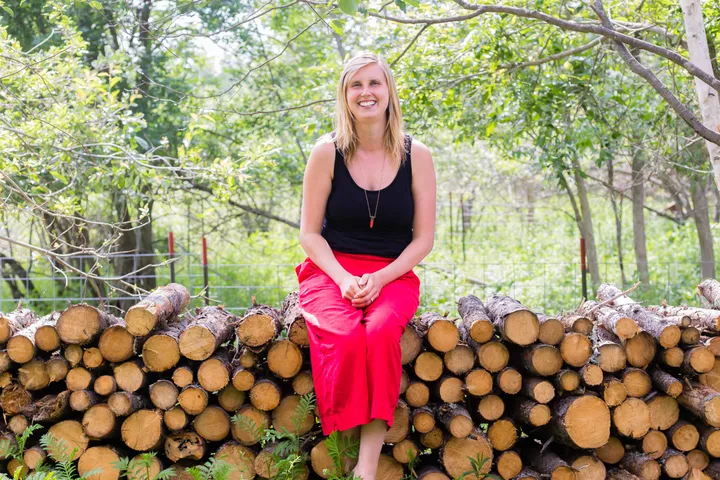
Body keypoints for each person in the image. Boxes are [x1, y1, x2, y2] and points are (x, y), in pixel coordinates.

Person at [296, 52, 436, 480]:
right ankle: (342, 443)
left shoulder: (418, 155)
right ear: (345, 95)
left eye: (374, 83)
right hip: (329, 270)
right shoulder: (326, 152)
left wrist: (379, 278)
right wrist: (342, 278)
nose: (366, 93)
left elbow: (424, 239)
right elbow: (309, 234)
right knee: (344, 337)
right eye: (356, 85)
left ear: (389, 91)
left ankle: (366, 468)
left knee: (377, 335)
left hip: (393, 273)